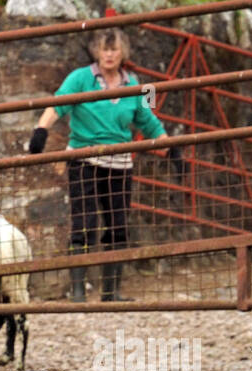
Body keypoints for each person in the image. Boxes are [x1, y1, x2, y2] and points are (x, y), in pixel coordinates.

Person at [27, 28, 176, 302]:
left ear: (123, 53)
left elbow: (149, 120)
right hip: (84, 159)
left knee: (117, 226)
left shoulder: (137, 84)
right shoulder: (80, 78)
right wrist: (40, 131)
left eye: (114, 49)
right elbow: (57, 105)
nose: (109, 54)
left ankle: (111, 291)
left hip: (120, 164)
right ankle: (77, 292)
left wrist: (170, 148)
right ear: (97, 52)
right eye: (104, 49)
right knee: (84, 224)